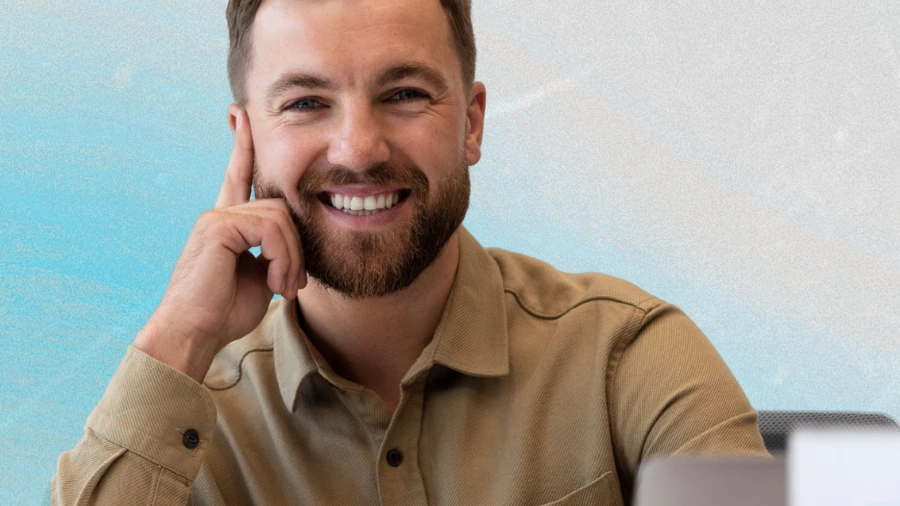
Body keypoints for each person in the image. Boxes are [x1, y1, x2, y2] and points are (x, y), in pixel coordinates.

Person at [51, 0, 769, 504]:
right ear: (247, 139)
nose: (358, 148)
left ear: (472, 123)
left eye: (403, 93)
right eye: (305, 103)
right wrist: (180, 336)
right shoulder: (183, 425)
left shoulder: (626, 356)